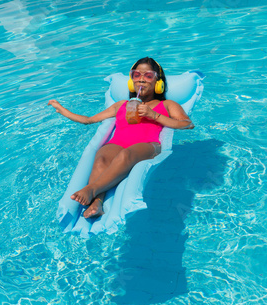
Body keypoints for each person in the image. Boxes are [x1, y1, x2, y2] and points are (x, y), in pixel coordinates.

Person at [48, 57, 194, 218]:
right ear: (131, 81)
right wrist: (62, 110)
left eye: (148, 76)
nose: (142, 80)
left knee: (126, 155)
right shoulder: (121, 105)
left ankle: (92, 189)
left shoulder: (167, 105)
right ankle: (97, 202)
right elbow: (88, 120)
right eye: (136, 75)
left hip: (148, 145)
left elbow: (187, 124)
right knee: (102, 156)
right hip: (118, 143)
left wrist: (154, 115)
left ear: (158, 82)